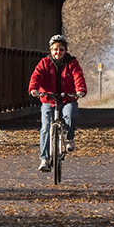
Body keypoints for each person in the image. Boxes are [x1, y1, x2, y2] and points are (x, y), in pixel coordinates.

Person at [28, 34, 87, 173]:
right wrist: (34, 89)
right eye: (55, 49)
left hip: (68, 99)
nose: (58, 52)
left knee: (71, 115)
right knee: (46, 127)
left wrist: (80, 90)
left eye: (61, 49)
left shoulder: (72, 63)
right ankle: (44, 159)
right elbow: (36, 76)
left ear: (65, 50)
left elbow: (78, 76)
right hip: (49, 99)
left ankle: (70, 138)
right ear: (50, 50)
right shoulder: (44, 63)